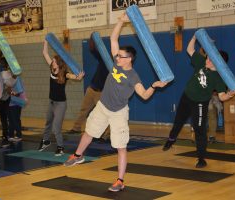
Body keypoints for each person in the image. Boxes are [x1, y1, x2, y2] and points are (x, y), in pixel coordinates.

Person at [64, 13, 167, 192]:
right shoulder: (115, 64)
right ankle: (78, 155)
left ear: (129, 59)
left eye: (120, 56)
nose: (116, 58)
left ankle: (120, 180)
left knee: (121, 147)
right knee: (89, 132)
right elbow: (113, 38)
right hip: (102, 106)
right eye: (117, 56)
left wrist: (154, 85)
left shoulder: (133, 76)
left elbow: (143, 95)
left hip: (118, 112)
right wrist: (120, 21)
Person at [163, 34, 235, 168]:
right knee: (178, 121)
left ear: (219, 64)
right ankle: (171, 138)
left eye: (211, 59)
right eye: (209, 57)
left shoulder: (219, 78)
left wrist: (230, 95)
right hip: (186, 96)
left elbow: (222, 96)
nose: (208, 59)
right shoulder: (201, 61)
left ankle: (201, 158)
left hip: (200, 103)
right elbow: (189, 50)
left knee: (199, 129)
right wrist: (194, 36)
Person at [38, 39, 84, 156]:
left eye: (54, 61)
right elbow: (45, 53)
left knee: (56, 127)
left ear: (58, 63)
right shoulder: (51, 69)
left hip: (60, 104)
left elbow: (75, 77)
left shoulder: (64, 74)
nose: (52, 62)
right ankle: (46, 141)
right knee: (48, 122)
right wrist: (46, 42)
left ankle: (60, 147)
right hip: (51, 102)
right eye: (52, 61)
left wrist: (79, 76)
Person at [66, 32, 109, 137]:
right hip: (91, 89)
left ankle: (106, 134)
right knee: (83, 110)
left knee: (104, 114)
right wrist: (92, 41)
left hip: (101, 93)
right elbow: (94, 51)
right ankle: (76, 128)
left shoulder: (115, 68)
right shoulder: (104, 60)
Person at [8, 78, 27, 143]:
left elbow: (18, 92)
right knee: (11, 119)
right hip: (13, 102)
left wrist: (10, 92)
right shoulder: (12, 79)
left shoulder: (17, 79)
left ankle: (19, 135)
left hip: (16, 102)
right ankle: (11, 135)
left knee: (15, 119)